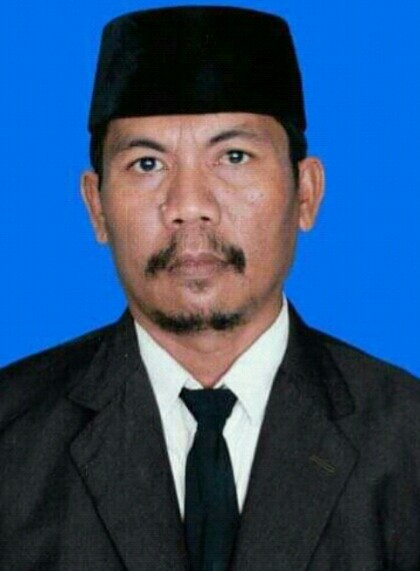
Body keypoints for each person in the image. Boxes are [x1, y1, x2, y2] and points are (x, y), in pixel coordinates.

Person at [0, 5, 419, 570]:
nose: (189, 205)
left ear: (306, 193)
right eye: (147, 164)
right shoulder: (12, 437)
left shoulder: (407, 439)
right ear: (96, 206)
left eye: (234, 157)